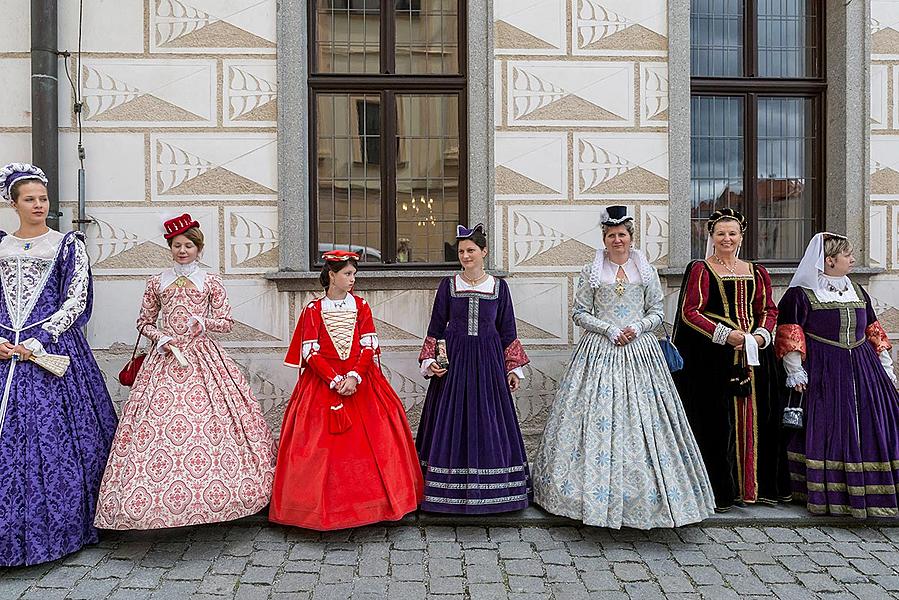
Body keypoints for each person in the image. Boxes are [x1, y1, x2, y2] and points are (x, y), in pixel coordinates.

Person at [533, 206, 715, 528]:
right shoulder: (592, 270)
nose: (618, 240)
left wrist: (639, 327)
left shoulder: (644, 270)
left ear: (631, 238)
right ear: (604, 239)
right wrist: (608, 329)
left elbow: (658, 310)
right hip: (600, 350)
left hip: (639, 350)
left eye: (622, 235)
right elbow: (579, 312)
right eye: (611, 235)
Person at [94, 214, 276, 530]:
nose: (182, 251)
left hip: (203, 357)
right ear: (170, 247)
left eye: (188, 245)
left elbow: (227, 323)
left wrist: (203, 322)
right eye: (177, 245)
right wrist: (159, 337)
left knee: (212, 423)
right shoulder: (157, 281)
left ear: (198, 248)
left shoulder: (210, 281)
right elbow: (144, 322)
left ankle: (219, 499)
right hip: (164, 359)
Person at [0, 163, 117, 566]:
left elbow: (76, 299)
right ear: (12, 203)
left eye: (43, 198)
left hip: (51, 351)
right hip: (4, 350)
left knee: (57, 440)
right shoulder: (1, 246)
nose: (38, 205)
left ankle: (61, 529)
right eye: (29, 199)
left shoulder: (67, 244)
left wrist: (42, 338)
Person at [270, 250, 423, 530]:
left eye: (354, 274)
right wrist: (333, 379)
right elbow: (310, 352)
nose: (352, 279)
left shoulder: (362, 306)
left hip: (361, 382)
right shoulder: (313, 310)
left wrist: (353, 377)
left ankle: (373, 508)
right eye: (347, 274)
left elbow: (368, 347)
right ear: (332, 275)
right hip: (322, 385)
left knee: (378, 442)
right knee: (320, 449)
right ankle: (317, 510)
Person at [672, 208, 790, 511]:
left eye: (732, 233)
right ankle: (723, 491)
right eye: (721, 233)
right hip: (715, 360)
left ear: (741, 236)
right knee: (717, 423)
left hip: (756, 360)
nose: (727, 238)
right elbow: (691, 311)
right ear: (711, 236)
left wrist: (763, 333)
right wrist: (727, 335)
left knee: (761, 419)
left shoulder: (757, 270)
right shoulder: (701, 269)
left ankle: (757, 489)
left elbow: (768, 309)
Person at [776, 232, 899, 517]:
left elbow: (873, 330)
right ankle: (828, 491)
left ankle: (874, 491)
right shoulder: (801, 294)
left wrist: (885, 364)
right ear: (829, 260)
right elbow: (790, 335)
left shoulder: (856, 289)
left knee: (875, 424)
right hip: (823, 370)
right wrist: (795, 371)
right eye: (847, 255)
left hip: (864, 368)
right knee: (829, 426)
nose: (853, 259)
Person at [416, 224, 531, 513]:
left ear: (484, 252)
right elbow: (436, 327)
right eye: (461, 251)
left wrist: (512, 368)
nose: (466, 256)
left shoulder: (498, 287)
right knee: (450, 420)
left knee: (488, 420)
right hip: (453, 365)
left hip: (489, 365)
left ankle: (494, 493)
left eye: (471, 250)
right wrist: (432, 362)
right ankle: (445, 492)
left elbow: (507, 330)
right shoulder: (448, 285)